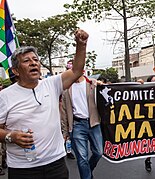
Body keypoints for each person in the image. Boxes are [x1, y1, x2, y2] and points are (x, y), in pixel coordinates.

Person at [0, 29, 89, 179]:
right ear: (15, 70)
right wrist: (11, 136)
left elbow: (76, 70)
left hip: (56, 164)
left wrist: (81, 45)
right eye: (27, 61)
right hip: (23, 169)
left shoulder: (52, 84)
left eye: (35, 60)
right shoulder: (4, 96)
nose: (33, 63)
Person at [61, 60, 103, 179]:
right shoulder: (66, 89)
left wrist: (100, 85)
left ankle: (87, 172)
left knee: (99, 152)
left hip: (94, 123)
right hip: (77, 125)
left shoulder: (92, 84)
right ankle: (87, 176)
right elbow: (63, 112)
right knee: (82, 158)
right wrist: (65, 132)